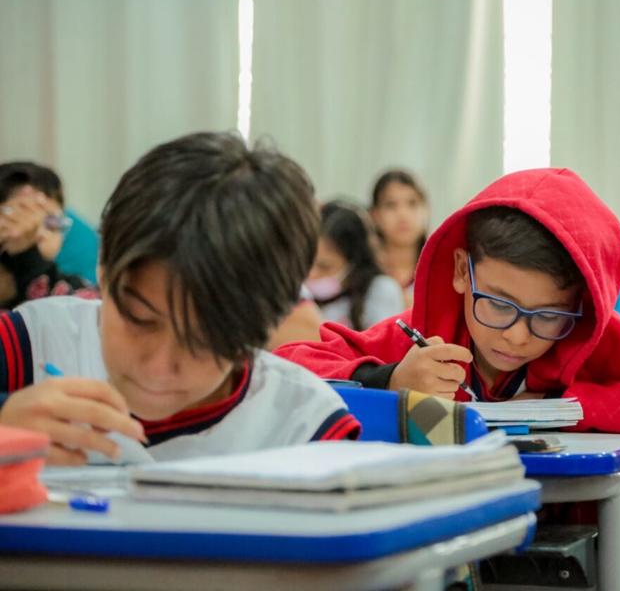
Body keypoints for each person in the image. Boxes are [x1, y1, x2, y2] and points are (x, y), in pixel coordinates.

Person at [277, 168, 620, 590]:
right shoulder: (423, 338)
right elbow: (285, 370)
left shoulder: (603, 342)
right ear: (460, 271)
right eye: (497, 303)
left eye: (547, 316)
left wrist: (577, 408)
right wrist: (388, 378)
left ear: (582, 305)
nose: (516, 335)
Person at [0, 132, 360, 466]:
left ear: (263, 327)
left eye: (203, 340)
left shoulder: (305, 429)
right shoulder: (35, 343)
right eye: (138, 319)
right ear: (103, 271)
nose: (158, 367)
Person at [0, 163, 94, 309]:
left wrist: (27, 255)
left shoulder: (75, 293)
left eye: (52, 223)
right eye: (20, 218)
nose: (34, 232)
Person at [307, 201, 405, 331]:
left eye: (325, 266)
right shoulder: (300, 295)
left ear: (352, 263)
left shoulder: (380, 290)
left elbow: (386, 347)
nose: (311, 274)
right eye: (307, 263)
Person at [369, 169, 429, 308]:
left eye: (412, 204)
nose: (403, 215)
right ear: (374, 215)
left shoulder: (442, 271)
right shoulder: (363, 274)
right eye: (391, 205)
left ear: (426, 210)